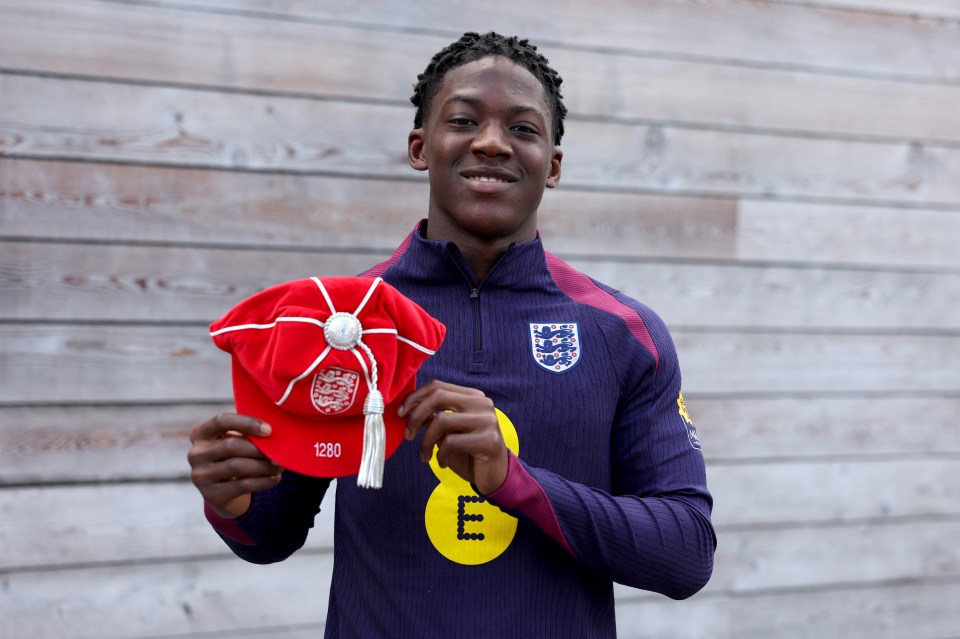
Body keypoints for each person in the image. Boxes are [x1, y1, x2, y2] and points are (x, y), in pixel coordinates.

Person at [188, 31, 716, 638]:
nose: (491, 143)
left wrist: (512, 480)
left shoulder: (623, 333)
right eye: (464, 120)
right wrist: (231, 497)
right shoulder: (340, 320)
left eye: (523, 129)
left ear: (554, 165)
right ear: (420, 147)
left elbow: (685, 554)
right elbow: (271, 537)